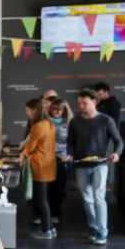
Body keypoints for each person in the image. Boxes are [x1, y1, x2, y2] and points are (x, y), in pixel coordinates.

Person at [66, 87, 124, 245]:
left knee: (99, 197)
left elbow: (118, 141)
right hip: (81, 164)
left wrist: (116, 153)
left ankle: (102, 231)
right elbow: (70, 143)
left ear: (94, 102)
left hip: (100, 164)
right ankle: (93, 227)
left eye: (84, 103)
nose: (81, 106)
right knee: (87, 199)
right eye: (79, 103)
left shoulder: (106, 120)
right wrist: (69, 155)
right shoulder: (75, 121)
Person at [23, 98, 57, 239]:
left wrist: (23, 151)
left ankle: (46, 230)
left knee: (41, 199)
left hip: (40, 165)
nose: (27, 112)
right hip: (49, 164)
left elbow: (30, 147)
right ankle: (49, 227)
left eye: (28, 110)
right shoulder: (49, 123)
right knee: (44, 198)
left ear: (34, 110)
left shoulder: (37, 126)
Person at [44, 97, 72, 226]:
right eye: (53, 109)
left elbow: (73, 143)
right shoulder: (45, 122)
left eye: (58, 110)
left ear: (64, 111)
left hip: (62, 160)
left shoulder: (70, 124)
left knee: (59, 188)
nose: (55, 112)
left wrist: (70, 155)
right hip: (46, 158)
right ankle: (46, 214)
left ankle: (56, 213)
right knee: (46, 189)